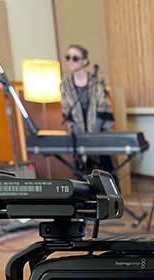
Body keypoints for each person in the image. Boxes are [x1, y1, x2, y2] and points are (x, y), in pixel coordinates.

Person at [60, 44, 116, 179]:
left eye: (75, 58)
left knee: (109, 171)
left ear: (84, 61)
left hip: (99, 134)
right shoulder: (65, 85)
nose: (71, 61)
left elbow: (104, 108)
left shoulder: (97, 83)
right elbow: (67, 110)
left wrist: (92, 137)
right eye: (68, 58)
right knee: (81, 172)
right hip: (78, 136)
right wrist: (81, 137)